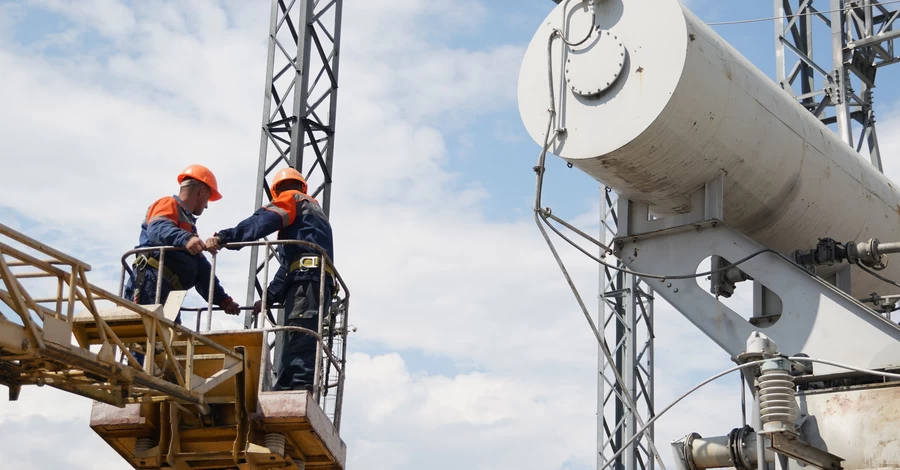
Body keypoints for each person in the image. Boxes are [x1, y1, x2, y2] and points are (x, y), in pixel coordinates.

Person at [206, 167, 335, 391]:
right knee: (298, 331)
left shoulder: (293, 199)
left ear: (276, 191)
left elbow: (260, 222)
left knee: (298, 332)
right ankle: (287, 386)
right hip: (311, 279)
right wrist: (268, 298)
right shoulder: (313, 214)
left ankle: (296, 388)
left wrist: (225, 237)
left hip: (307, 281)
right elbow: (290, 265)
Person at [124, 164, 241, 322]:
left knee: (167, 341)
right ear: (201, 191)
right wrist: (186, 239)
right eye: (208, 199)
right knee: (147, 339)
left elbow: (201, 269)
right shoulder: (168, 204)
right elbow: (157, 229)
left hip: (169, 292)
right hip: (151, 282)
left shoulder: (188, 226)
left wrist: (223, 300)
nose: (206, 205)